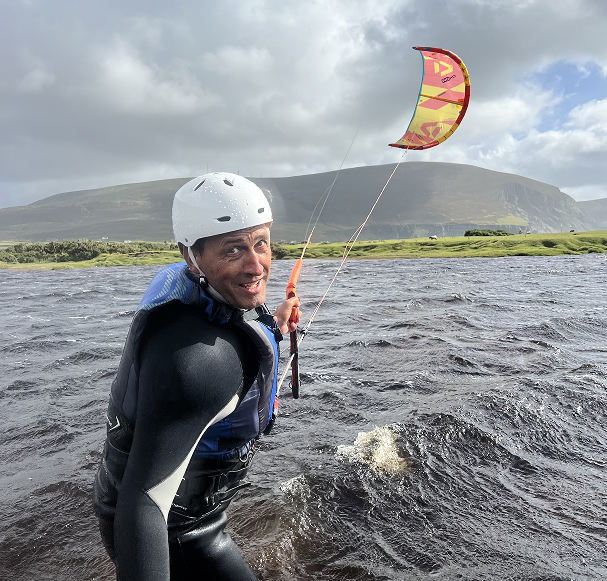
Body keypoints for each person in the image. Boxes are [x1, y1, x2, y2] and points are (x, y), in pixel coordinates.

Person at [93, 172, 299, 580]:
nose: (256, 264)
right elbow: (145, 504)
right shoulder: (202, 366)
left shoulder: (191, 294)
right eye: (233, 249)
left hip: (167, 512)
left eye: (261, 243)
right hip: (173, 533)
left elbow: (230, 321)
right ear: (193, 256)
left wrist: (274, 324)